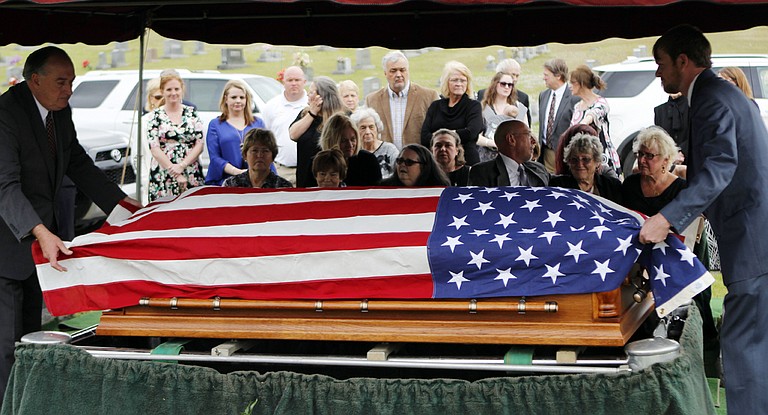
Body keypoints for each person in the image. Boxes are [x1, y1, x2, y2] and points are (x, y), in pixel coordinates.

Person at [640, 25, 768, 414]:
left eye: (660, 64)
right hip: (754, 233)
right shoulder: (724, 94)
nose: (658, 73)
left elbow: (720, 167)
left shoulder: (712, 98)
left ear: (683, 61)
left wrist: (666, 218)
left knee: (743, 342)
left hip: (751, 238)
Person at [0, 46, 141, 397]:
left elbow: (77, 162)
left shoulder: (58, 111)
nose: (69, 90)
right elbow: (5, 185)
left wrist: (122, 205)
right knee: (6, 341)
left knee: (31, 335)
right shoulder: (6, 114)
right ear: (34, 80)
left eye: (72, 81)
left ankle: (27, 399)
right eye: (61, 82)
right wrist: (40, 231)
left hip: (38, 243)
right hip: (9, 240)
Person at [146, 71, 205, 202]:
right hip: (164, 174)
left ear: (182, 89)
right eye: (169, 89)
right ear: (162, 91)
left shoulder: (191, 113)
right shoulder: (155, 116)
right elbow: (154, 148)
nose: (173, 93)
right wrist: (175, 172)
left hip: (191, 171)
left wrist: (182, 165)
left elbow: (200, 144)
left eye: (176, 89)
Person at [364, 51, 439, 149]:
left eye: (402, 70)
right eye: (393, 71)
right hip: (385, 161)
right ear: (385, 73)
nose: (398, 74)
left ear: (408, 71)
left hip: (419, 160)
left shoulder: (429, 96)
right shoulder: (372, 100)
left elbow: (438, 133)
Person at [420, 61, 484, 166]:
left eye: (463, 80)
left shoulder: (473, 106)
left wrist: (439, 136)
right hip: (438, 164)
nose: (459, 84)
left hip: (466, 162)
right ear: (446, 82)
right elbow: (424, 137)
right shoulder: (435, 106)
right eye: (454, 80)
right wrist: (456, 133)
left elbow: (471, 133)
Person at [205, 80, 265, 185]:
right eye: (233, 97)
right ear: (226, 99)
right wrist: (238, 172)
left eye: (242, 97)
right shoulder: (215, 124)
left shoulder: (258, 123)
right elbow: (215, 158)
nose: (238, 101)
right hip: (224, 181)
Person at [289, 76, 345, 188]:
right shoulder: (305, 114)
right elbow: (293, 135)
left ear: (322, 96)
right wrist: (312, 112)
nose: (308, 96)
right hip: (305, 178)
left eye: (311, 92)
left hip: (332, 180)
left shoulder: (341, 117)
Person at [569, 65, 621, 177]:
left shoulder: (601, 103)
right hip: (583, 158)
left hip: (602, 156)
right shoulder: (577, 107)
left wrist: (582, 124)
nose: (570, 86)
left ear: (581, 84)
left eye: (572, 83)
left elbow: (592, 115)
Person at [261, 66, 308, 184]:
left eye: (297, 80)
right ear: (283, 82)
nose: (294, 83)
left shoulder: (312, 105)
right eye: (290, 80)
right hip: (280, 169)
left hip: (307, 170)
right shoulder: (271, 106)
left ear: (304, 82)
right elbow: (265, 138)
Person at [468, 119, 550, 187]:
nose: (533, 141)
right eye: (528, 135)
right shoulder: (482, 173)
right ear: (511, 139)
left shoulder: (538, 169)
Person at [550, 133, 622, 204]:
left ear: (597, 162)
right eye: (574, 160)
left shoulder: (612, 186)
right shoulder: (558, 186)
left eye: (586, 159)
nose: (580, 164)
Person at [538, 58, 578, 173]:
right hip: (546, 155)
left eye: (546, 75)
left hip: (566, 155)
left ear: (558, 76)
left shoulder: (573, 97)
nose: (543, 78)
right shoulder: (543, 95)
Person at [478, 71, 528, 163]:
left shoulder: (520, 109)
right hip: (488, 158)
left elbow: (527, 135)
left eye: (510, 85)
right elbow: (477, 137)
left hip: (514, 159)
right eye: (503, 84)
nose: (506, 87)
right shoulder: (483, 108)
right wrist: (492, 143)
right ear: (495, 84)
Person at [319, 113, 381, 186]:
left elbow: (378, 193)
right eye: (343, 140)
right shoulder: (318, 162)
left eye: (353, 139)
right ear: (330, 140)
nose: (350, 145)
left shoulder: (368, 160)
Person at [222, 129, 292, 189]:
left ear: (273, 156)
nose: (259, 155)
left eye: (265, 151)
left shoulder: (284, 187)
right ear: (245, 155)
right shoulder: (231, 185)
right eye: (254, 151)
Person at [476, 58, 532, 126]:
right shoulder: (482, 94)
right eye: (512, 75)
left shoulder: (522, 98)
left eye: (517, 76)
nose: (515, 79)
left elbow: (527, 128)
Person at [350, 107, 398, 179]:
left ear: (377, 128)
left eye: (371, 127)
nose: (368, 132)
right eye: (363, 128)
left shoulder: (390, 149)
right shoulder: (353, 151)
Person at [381, 144, 450, 187]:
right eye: (400, 161)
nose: (402, 164)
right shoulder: (384, 188)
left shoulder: (439, 190)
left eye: (409, 162)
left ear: (424, 167)